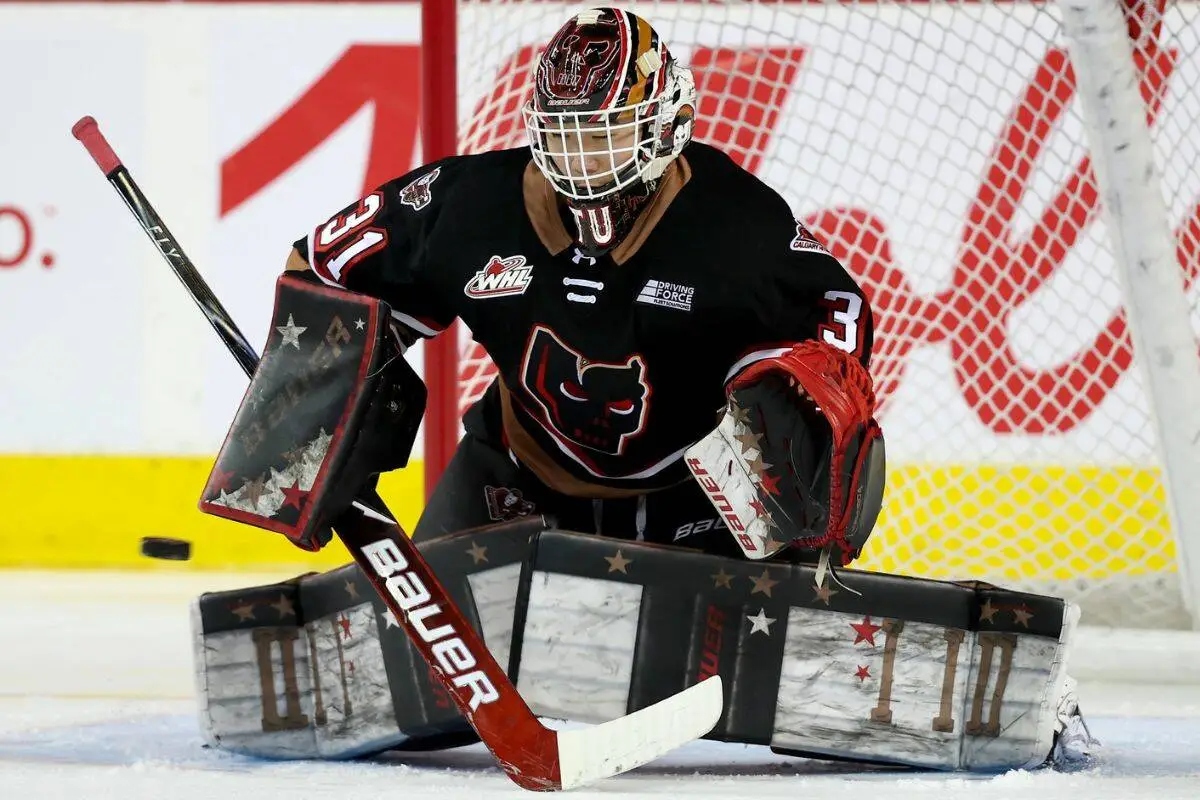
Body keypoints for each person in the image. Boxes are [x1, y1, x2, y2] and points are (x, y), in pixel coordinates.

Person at [282, 6, 884, 565]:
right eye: (565, 138)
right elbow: (324, 265)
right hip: (517, 474)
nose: (582, 164)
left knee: (697, 671)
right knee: (417, 659)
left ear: (666, 124)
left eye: (604, 137)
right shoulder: (475, 206)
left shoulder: (733, 226)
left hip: (691, 497)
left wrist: (802, 411)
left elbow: (837, 309)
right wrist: (313, 417)